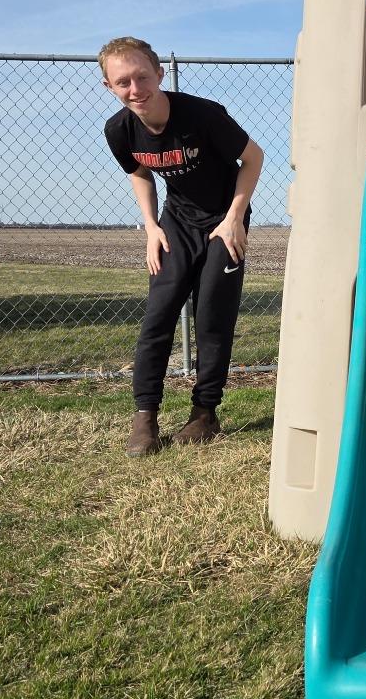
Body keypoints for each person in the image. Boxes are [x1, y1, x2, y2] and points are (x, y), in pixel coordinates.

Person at [99, 36, 264, 456]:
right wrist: (151, 226)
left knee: (211, 312)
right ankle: (145, 417)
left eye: (141, 76)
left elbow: (254, 158)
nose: (135, 89)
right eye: (123, 82)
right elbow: (139, 171)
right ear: (109, 87)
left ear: (159, 73)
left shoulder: (203, 115)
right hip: (177, 222)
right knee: (159, 312)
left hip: (225, 220)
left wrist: (234, 220)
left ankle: (205, 412)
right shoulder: (119, 129)